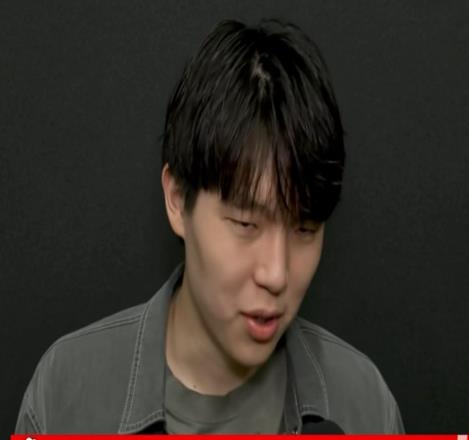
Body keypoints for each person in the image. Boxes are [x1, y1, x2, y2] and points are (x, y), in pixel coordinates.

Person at [15, 19, 404, 434]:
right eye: (246, 223)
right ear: (177, 200)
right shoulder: (66, 392)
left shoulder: (363, 405)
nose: (276, 273)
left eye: (305, 229)